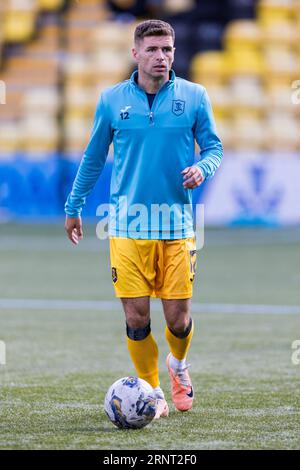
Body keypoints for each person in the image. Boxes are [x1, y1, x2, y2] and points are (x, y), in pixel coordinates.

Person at [65, 19, 223, 419]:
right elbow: (93, 157)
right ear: (135, 53)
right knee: (136, 318)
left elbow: (214, 147)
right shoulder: (111, 100)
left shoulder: (194, 96)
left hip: (177, 227)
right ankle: (153, 390)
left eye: (167, 49)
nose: (161, 57)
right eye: (152, 49)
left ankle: (179, 366)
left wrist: (203, 167)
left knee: (178, 319)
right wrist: (74, 206)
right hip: (126, 226)